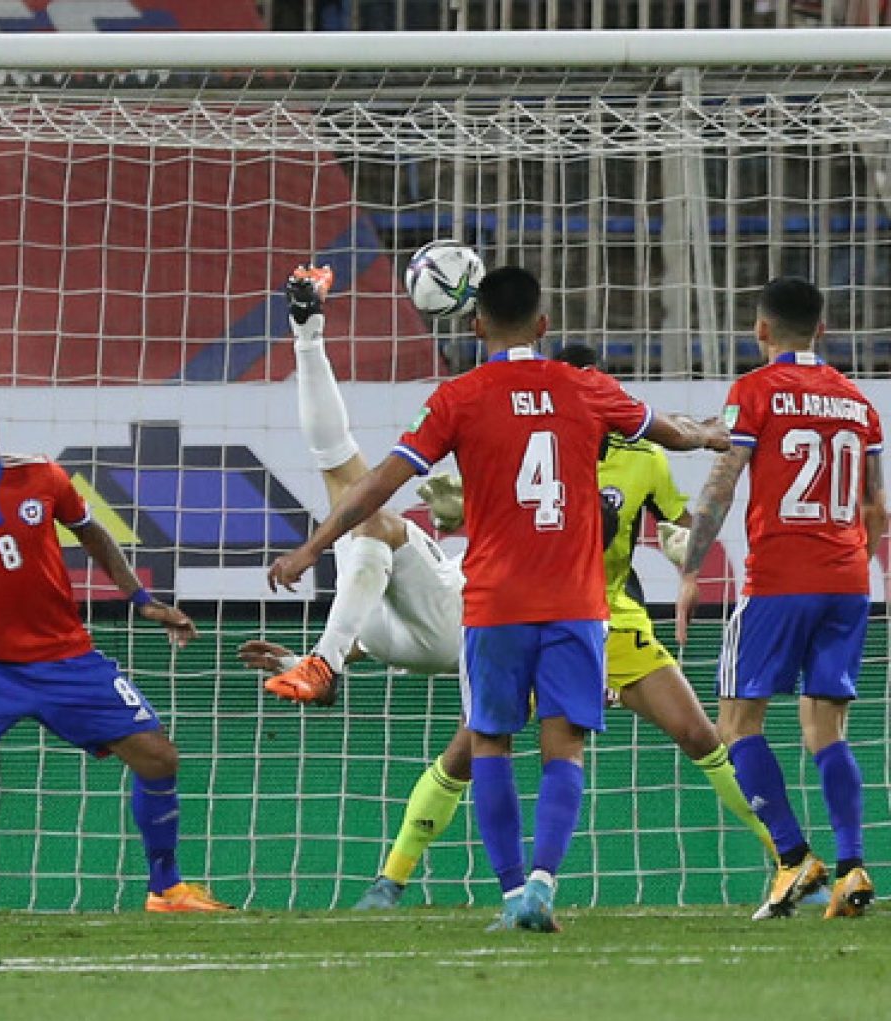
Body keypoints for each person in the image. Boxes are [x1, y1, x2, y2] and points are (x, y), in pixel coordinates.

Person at [268, 265, 730, 932]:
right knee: (564, 746)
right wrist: (711, 435)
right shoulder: (588, 387)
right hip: (577, 601)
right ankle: (543, 885)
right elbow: (675, 432)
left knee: (488, 744)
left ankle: (511, 893)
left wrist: (313, 548)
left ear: (476, 324)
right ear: (544, 326)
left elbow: (376, 487)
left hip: (494, 602)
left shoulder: (459, 396)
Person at [344, 343, 775, 910]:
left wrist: (685, 553)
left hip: (609, 613)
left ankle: (789, 861)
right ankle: (392, 878)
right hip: (529, 609)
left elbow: (683, 522)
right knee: (467, 752)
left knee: (699, 735)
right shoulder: (514, 438)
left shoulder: (642, 456)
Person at [0, 383, 231, 913]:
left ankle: (166, 889)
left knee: (158, 757)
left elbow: (95, 536)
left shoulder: (40, 475)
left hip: (65, 657)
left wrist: (142, 600)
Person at [241, 265, 472, 909]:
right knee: (347, 489)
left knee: (362, 503)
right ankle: (306, 330)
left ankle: (324, 661)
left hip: (452, 630)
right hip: (405, 633)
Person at [676, 276, 886, 921]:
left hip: (778, 582)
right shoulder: (859, 403)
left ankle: (794, 858)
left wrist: (690, 563)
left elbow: (723, 482)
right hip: (848, 582)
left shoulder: (755, 390)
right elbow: (875, 507)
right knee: (827, 729)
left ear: (761, 330)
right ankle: (853, 869)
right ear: (821, 330)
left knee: (737, 723)